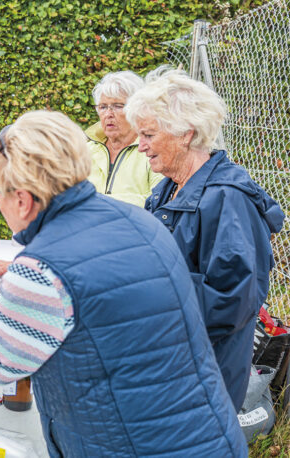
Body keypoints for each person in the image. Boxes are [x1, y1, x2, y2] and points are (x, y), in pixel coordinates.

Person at [0, 110, 247, 456]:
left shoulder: (41, 271)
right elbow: (104, 288)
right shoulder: (139, 219)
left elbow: (0, 362)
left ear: (23, 199)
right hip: (207, 436)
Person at [125, 68, 285, 410]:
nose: (140, 146)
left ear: (186, 134)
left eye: (149, 134)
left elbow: (232, 300)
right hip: (167, 366)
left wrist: (145, 302)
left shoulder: (228, 200)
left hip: (200, 379)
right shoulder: (168, 187)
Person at [86, 71, 163, 207]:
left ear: (137, 110)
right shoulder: (85, 150)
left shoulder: (153, 150)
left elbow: (158, 201)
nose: (108, 114)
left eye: (118, 106)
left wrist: (99, 203)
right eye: (103, 107)